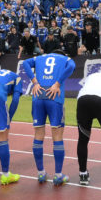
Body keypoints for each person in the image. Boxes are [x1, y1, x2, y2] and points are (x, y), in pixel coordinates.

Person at [21, 39, 77, 186]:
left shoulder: (40, 57)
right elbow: (72, 65)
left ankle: (41, 173)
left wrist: (35, 82)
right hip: (54, 97)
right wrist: (57, 83)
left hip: (38, 96)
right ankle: (58, 175)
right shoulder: (64, 59)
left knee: (38, 135)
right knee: (57, 136)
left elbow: (25, 63)